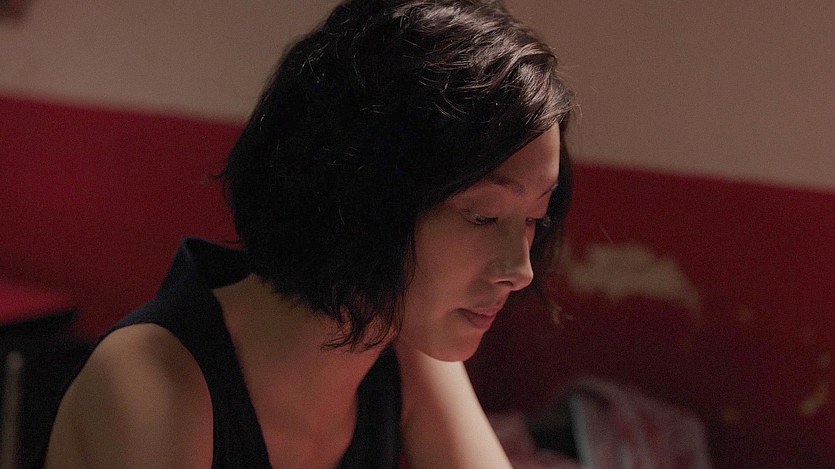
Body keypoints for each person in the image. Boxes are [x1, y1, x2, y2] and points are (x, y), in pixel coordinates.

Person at [39, 0, 575, 467]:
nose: (521, 270)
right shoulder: (153, 379)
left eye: (535, 219)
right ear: (362, 194)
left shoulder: (405, 344)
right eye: (483, 217)